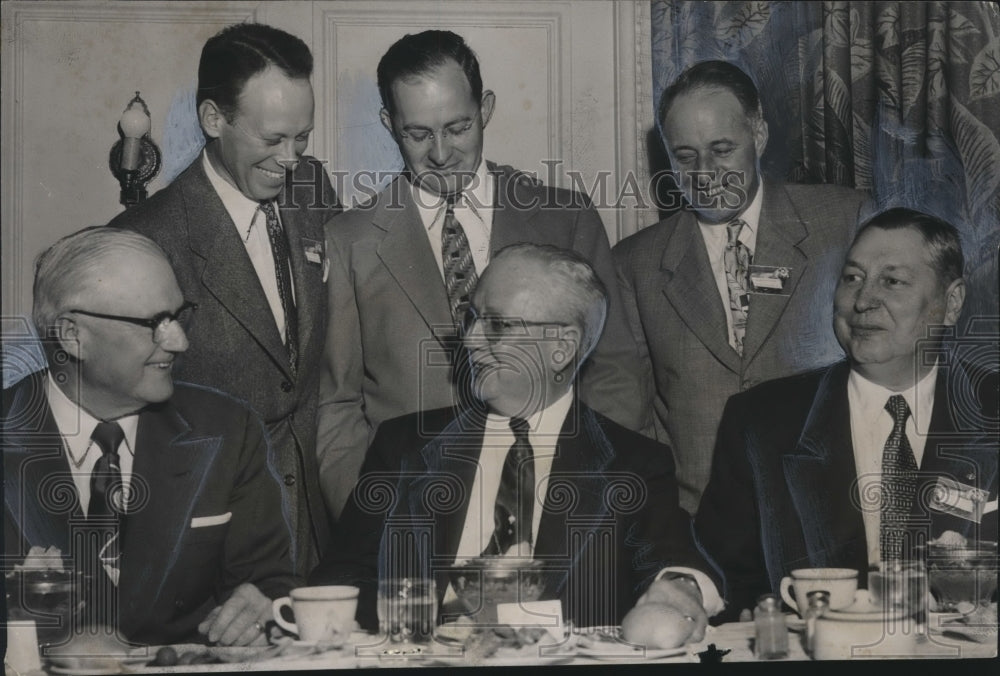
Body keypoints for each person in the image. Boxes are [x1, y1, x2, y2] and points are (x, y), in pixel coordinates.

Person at [311, 243, 723, 645]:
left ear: (561, 348)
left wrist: (681, 586)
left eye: (497, 325)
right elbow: (340, 580)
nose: (470, 341)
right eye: (471, 318)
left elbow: (672, 569)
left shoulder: (633, 465)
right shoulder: (403, 446)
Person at [318, 30, 646, 521]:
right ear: (389, 125)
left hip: (556, 504)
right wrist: (370, 519)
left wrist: (585, 495)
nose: (441, 152)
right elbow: (338, 405)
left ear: (486, 108)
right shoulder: (351, 239)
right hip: (413, 514)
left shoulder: (565, 218)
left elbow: (615, 369)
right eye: (418, 134)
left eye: (458, 127)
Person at [109, 22, 341, 576]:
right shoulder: (146, 238)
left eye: (302, 137)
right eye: (272, 139)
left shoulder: (312, 188)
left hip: (318, 535)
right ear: (213, 119)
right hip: (208, 548)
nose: (291, 158)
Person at [695, 208, 998, 621]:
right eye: (853, 278)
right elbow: (724, 575)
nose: (863, 300)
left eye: (892, 281)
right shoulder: (762, 421)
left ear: (951, 302)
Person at [2, 227, 297, 646]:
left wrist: (262, 605)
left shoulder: (227, 429)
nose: (179, 341)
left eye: (176, 316)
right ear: (72, 335)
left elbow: (269, 582)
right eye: (153, 323)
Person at [614, 60, 868, 514]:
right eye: (685, 156)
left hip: (831, 512)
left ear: (760, 136)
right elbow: (636, 418)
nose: (706, 173)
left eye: (722, 149)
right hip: (702, 527)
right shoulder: (635, 263)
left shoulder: (843, 222)